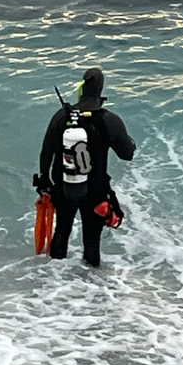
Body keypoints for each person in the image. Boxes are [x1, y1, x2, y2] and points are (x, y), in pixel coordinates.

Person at [35, 67, 136, 267]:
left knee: (61, 232)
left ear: (82, 87)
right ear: (101, 90)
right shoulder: (110, 120)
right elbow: (127, 154)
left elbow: (46, 153)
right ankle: (91, 289)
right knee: (91, 241)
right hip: (95, 191)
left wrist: (45, 182)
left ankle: (53, 282)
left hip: (64, 186)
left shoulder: (61, 116)